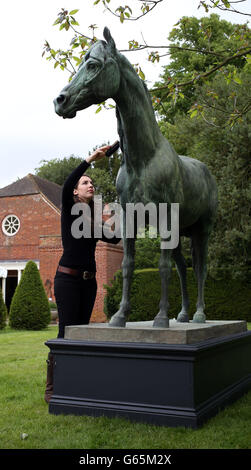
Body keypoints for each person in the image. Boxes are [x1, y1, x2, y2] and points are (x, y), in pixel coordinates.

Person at [44, 145, 121, 403]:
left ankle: (75, 384)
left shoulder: (90, 218)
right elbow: (67, 184)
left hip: (88, 283)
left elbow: (114, 235)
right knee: (65, 333)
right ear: (76, 190)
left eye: (92, 183)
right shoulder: (69, 206)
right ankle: (52, 388)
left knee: (81, 332)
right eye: (85, 182)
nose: (91, 185)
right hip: (67, 280)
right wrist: (91, 159)